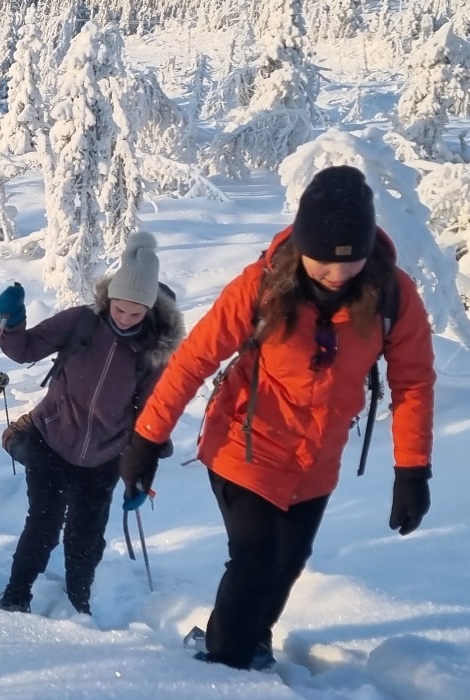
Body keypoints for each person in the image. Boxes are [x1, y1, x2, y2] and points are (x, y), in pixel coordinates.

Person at [120, 165, 435, 670]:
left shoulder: (393, 297)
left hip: (316, 460)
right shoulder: (260, 287)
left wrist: (412, 471)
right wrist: (145, 441)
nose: (337, 275)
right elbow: (192, 360)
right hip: (242, 445)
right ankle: (223, 666)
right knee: (256, 559)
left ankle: (246, 639)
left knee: (288, 563)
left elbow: (413, 381)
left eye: (350, 263)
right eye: (323, 263)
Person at [0, 233, 183, 617]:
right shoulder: (81, 322)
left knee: (85, 538)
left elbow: (150, 417)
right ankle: (15, 598)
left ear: (149, 309)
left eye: (136, 313)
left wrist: (140, 473)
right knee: (42, 526)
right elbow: (23, 349)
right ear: (109, 297)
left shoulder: (151, 353)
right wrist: (12, 322)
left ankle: (79, 605)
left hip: (103, 458)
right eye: (119, 308)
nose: (125, 318)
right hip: (51, 439)